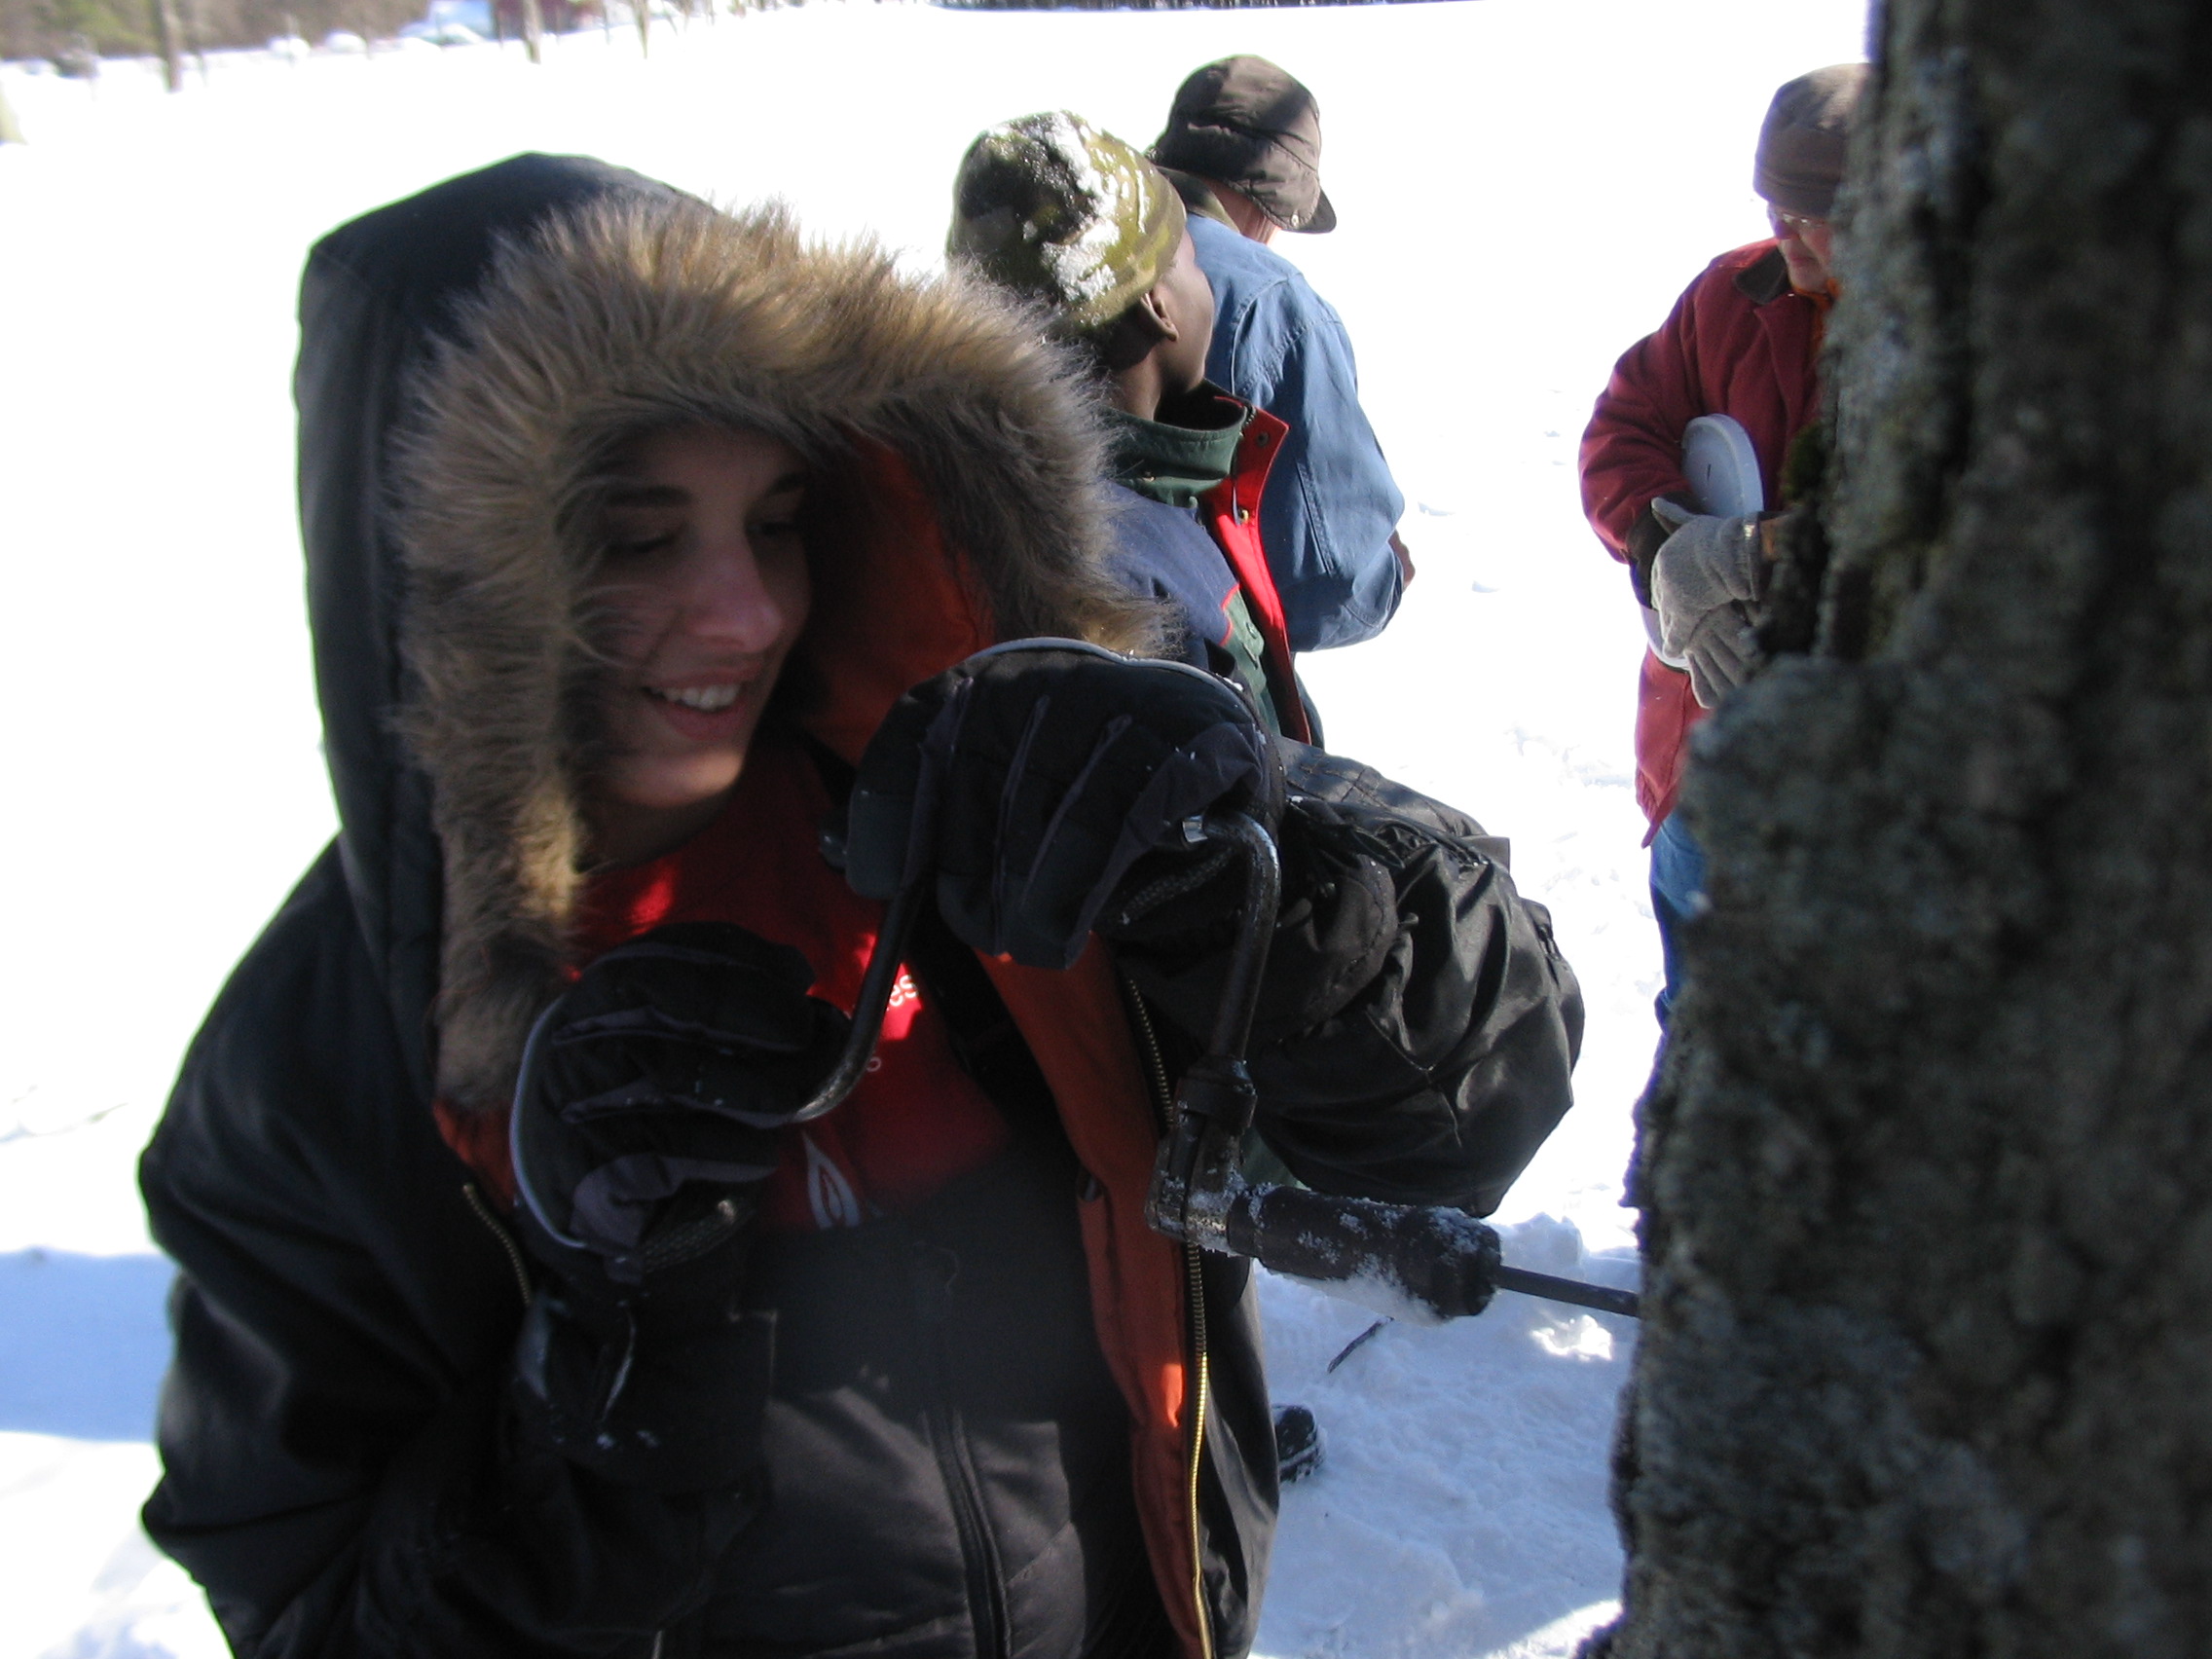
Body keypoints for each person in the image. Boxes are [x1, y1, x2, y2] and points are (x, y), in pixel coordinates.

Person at [137, 152, 1584, 1659]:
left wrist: (1264, 904)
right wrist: (612, 1367)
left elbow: (1481, 1104)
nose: (751, 611)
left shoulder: (970, 780)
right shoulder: (309, 1087)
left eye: (774, 520)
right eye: (639, 538)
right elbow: (320, 1615)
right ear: (449, 582)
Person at [1577, 62, 1868, 1024]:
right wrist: (1670, 548)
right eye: (1773, 201)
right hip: (1697, 764)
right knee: (1698, 1045)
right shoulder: (1730, 295)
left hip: (1850, 801)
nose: (1783, 230)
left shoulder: (1943, 340)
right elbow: (1620, 433)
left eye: (1813, 210)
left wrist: (1771, 558)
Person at [947, 111, 1309, 747]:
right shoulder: (1121, 568)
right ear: (1156, 303)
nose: (1208, 288)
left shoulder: (999, 490)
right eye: (1192, 262)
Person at [1148, 55, 1410, 655]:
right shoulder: (1271, 303)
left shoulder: (1068, 241)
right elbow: (1326, 586)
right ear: (1272, 199)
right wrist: (1389, 572)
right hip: (1187, 687)